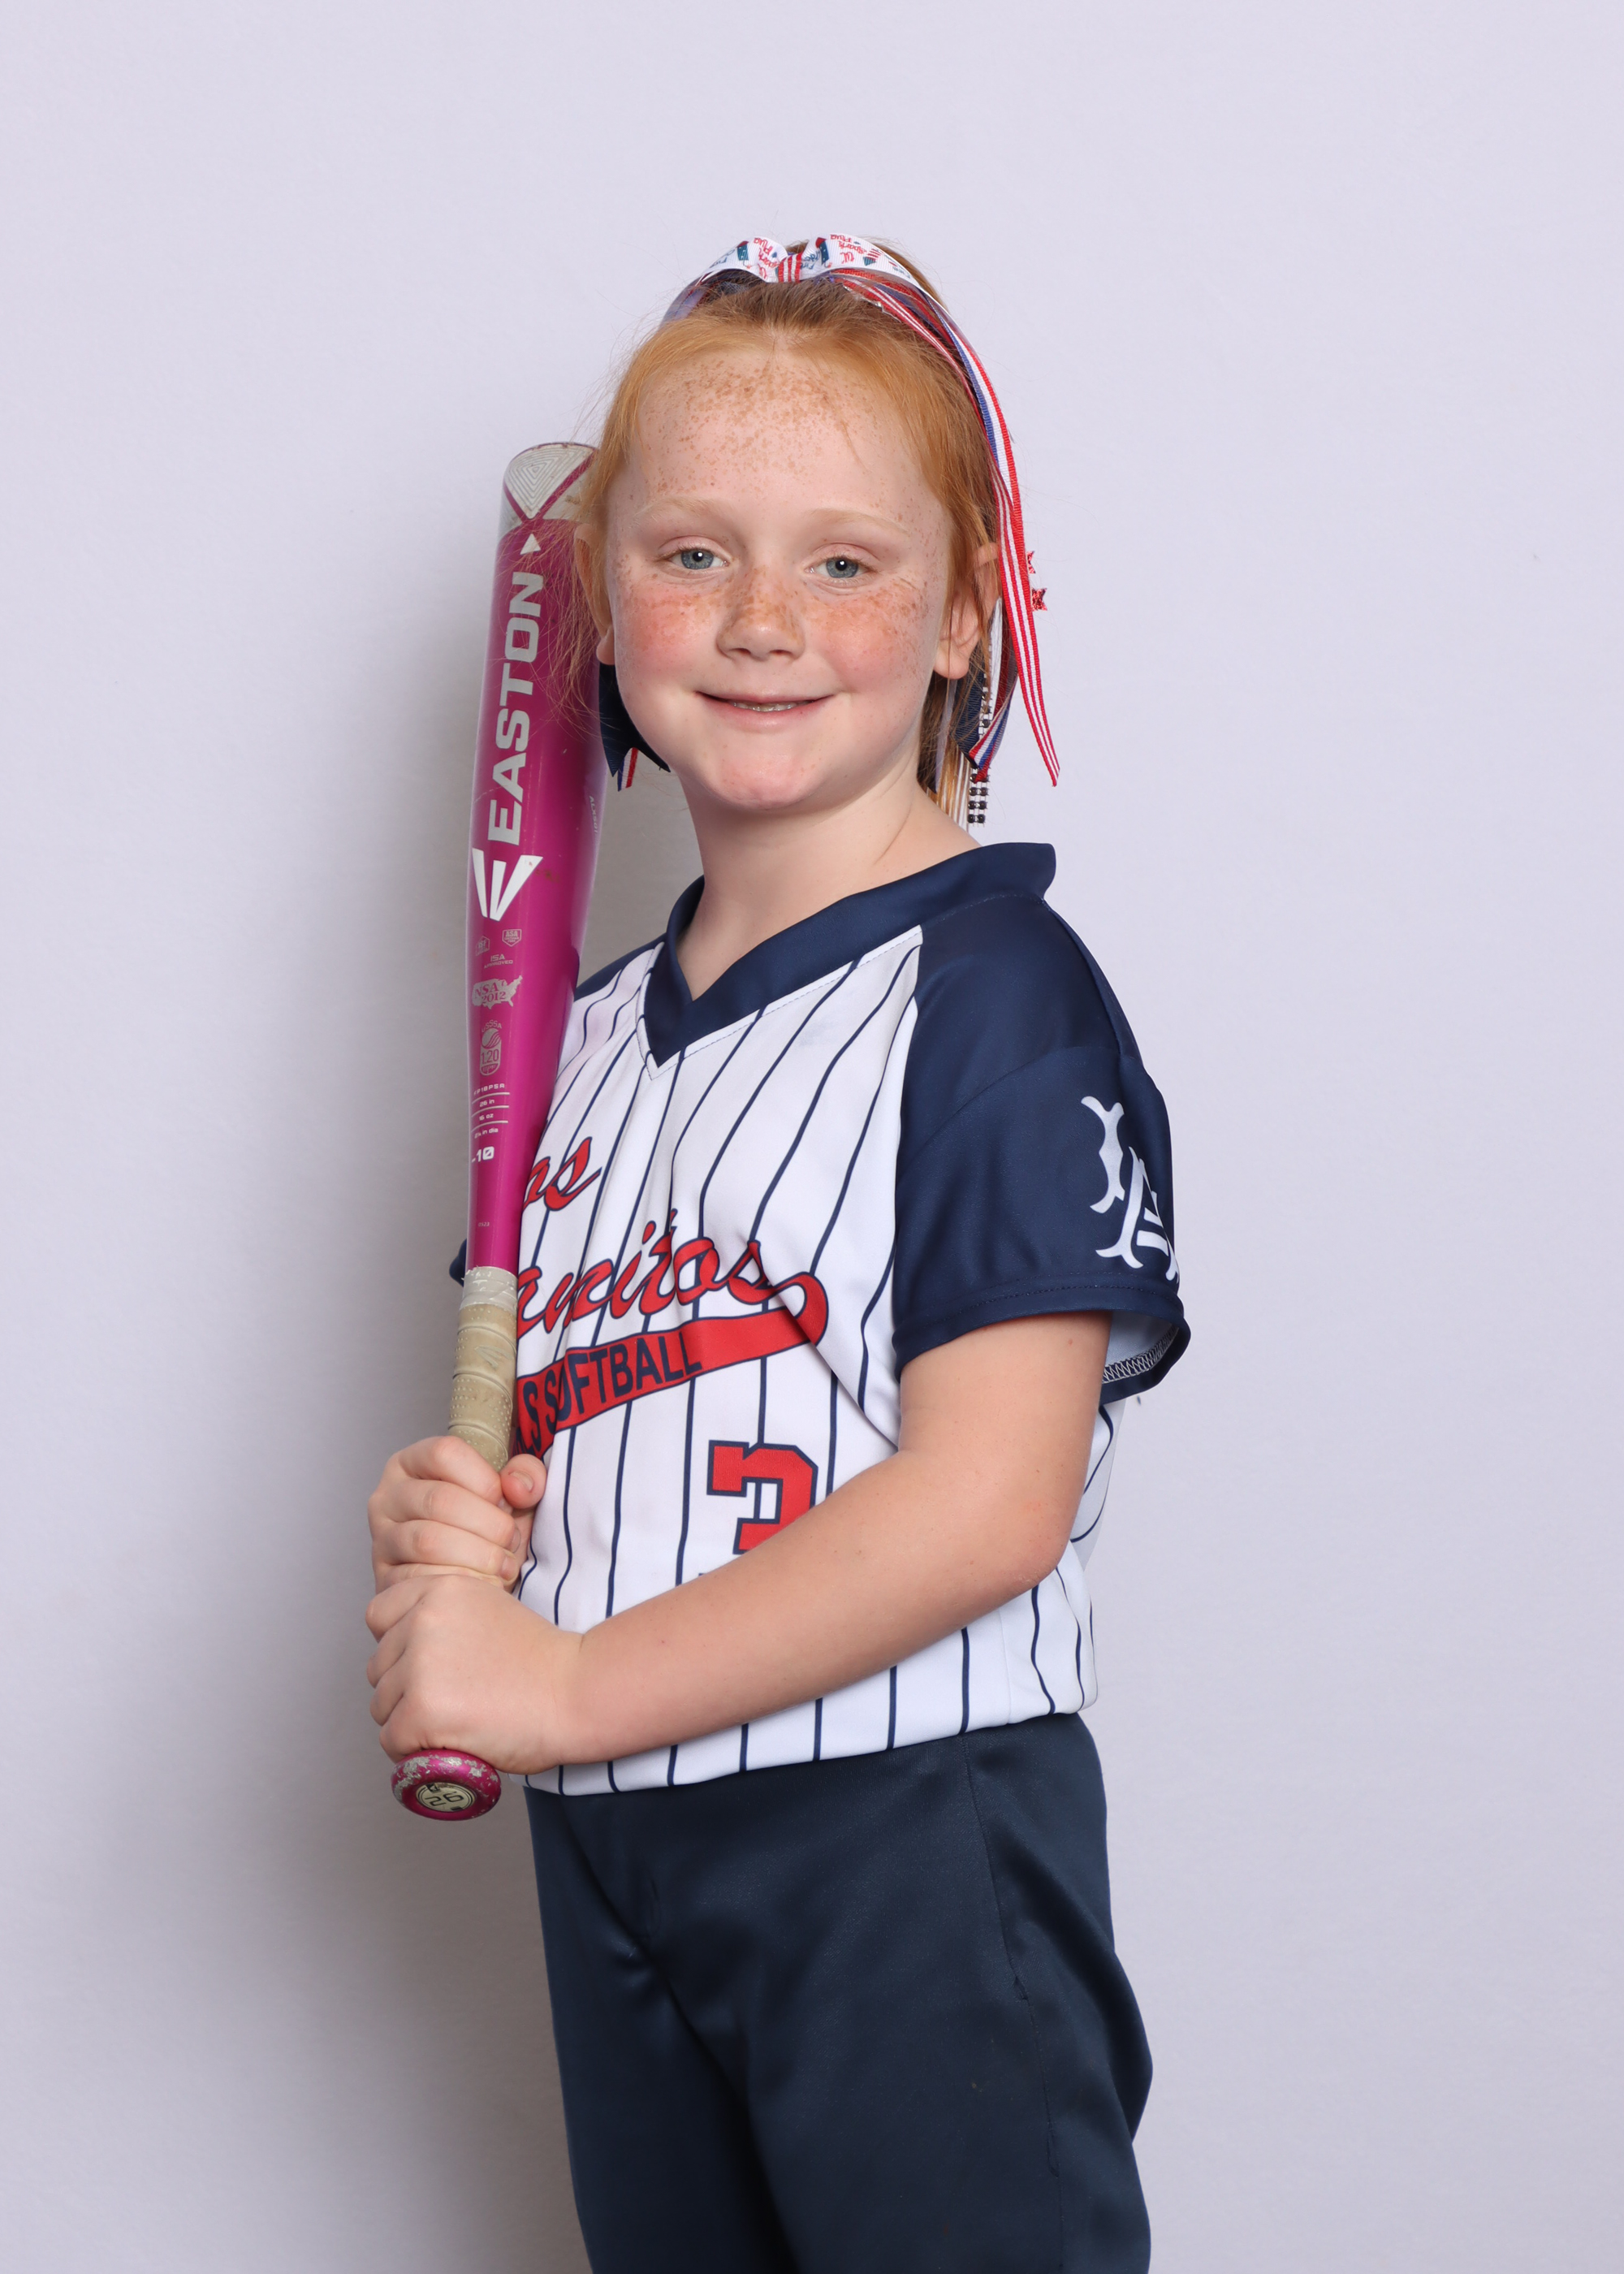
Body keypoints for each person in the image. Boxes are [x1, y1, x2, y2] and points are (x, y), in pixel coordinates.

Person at [365, 234, 1189, 2274]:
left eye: (841, 561)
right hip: (613, 1846)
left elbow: (988, 1501)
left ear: (963, 610)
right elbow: (608, 1416)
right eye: (690, 554)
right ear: (599, 604)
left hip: (902, 1838)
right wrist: (467, 1525)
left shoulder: (993, 996)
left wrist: (562, 1678)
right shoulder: (577, 1043)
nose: (759, 620)